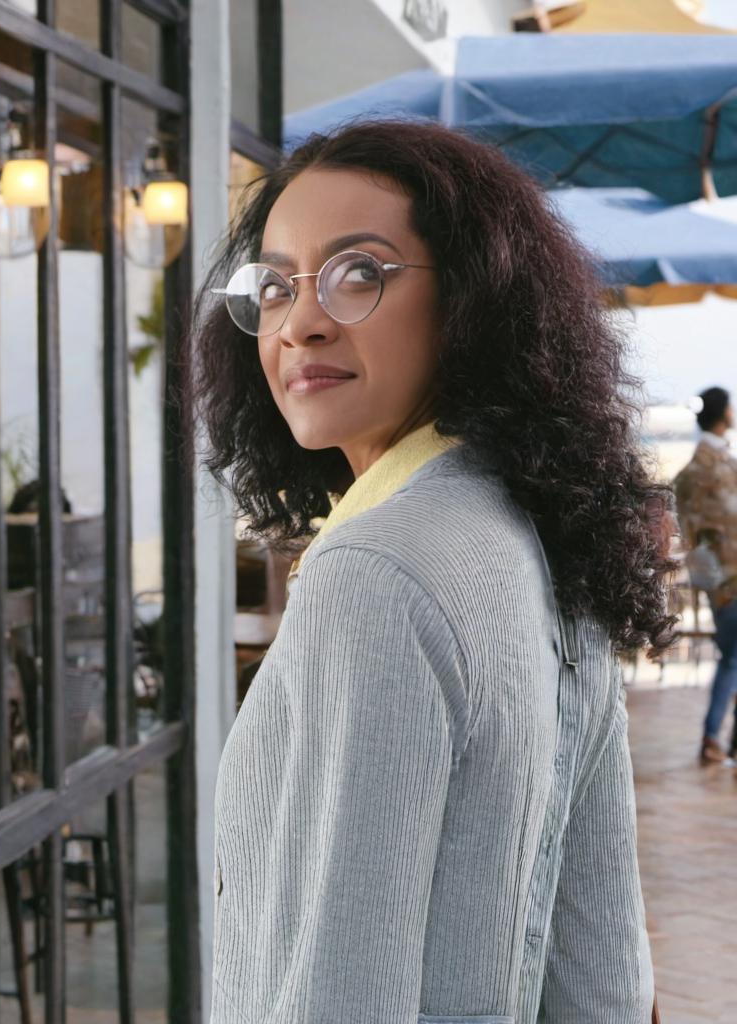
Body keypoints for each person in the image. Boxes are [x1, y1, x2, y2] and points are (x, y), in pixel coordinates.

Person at [188, 121, 671, 1023]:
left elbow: (339, 995)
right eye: (280, 284)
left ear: (473, 299)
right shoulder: (541, 523)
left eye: (359, 272)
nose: (303, 322)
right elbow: (606, 972)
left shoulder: (374, 574)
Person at [673, 386, 737, 765]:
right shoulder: (718, 467)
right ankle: (713, 737)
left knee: (732, 656)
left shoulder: (690, 472)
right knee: (732, 659)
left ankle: (719, 738)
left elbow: (691, 532)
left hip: (714, 582)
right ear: (721, 413)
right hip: (732, 578)